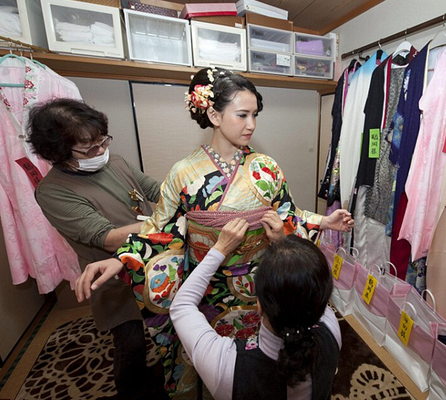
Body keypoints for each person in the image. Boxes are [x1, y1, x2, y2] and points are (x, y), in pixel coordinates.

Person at [75, 67, 353, 397]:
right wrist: (122, 261)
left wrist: (324, 221)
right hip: (209, 286)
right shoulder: (183, 173)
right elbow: (161, 230)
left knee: (270, 363)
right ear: (214, 114)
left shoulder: (267, 167)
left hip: (260, 286)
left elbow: (286, 213)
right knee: (216, 361)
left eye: (255, 115)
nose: (251, 124)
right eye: (242, 115)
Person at [27, 98, 167, 400]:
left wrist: (189, 188)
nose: (100, 152)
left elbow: (156, 190)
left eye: (103, 141)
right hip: (111, 277)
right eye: (89, 148)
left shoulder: (115, 162)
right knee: (130, 344)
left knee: (169, 327)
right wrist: (163, 222)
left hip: (154, 261)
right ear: (59, 153)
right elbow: (108, 237)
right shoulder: (52, 191)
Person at [172, 223, 341, 400]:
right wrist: (285, 248)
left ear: (258, 304)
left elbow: (181, 305)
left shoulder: (227, 368)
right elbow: (307, 285)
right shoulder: (332, 331)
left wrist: (219, 248)